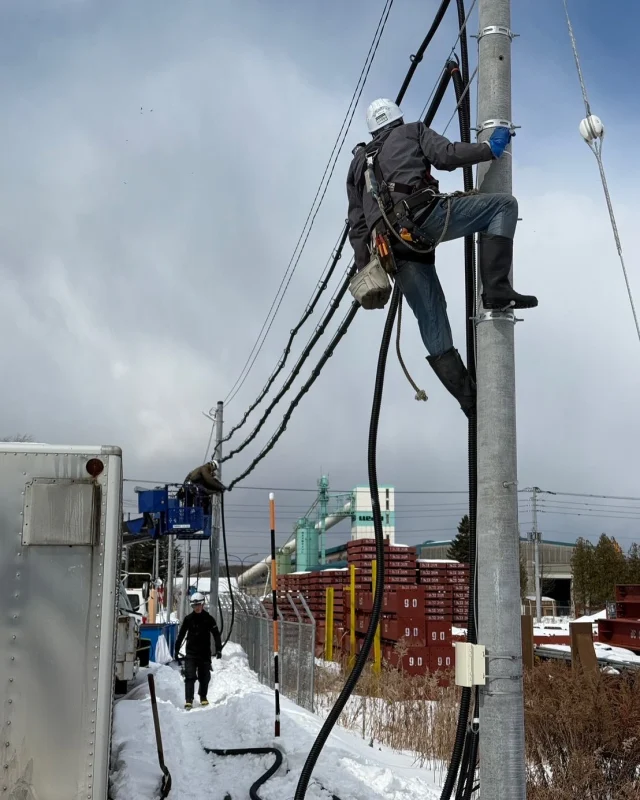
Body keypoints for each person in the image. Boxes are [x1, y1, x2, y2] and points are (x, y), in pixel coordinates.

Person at [346, 98, 537, 417]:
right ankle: (496, 289)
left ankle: (467, 398)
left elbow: (357, 223)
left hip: (390, 248)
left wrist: (365, 265)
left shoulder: (356, 166)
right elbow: (446, 156)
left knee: (431, 314)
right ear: (397, 118)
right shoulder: (412, 130)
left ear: (372, 129)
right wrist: (489, 149)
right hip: (422, 218)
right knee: (503, 206)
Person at [175, 592, 222, 710]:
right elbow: (181, 634)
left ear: (203, 604)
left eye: (199, 605)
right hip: (191, 653)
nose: (197, 607)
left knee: (204, 677)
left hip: (204, 653)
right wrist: (176, 649)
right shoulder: (188, 619)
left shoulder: (209, 619)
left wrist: (218, 649)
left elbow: (216, 634)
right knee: (189, 676)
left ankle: (203, 696)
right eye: (194, 605)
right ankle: (188, 700)